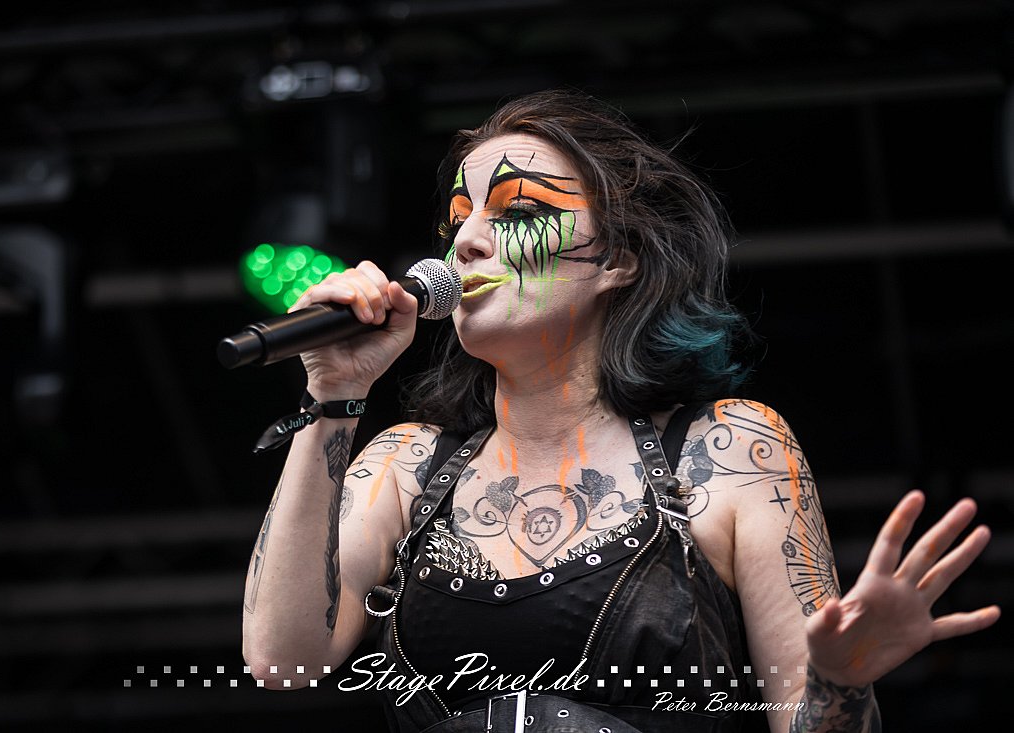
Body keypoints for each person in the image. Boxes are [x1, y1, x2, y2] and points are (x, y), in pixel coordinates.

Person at [240, 89, 1000, 732]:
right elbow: (280, 659)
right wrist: (333, 393)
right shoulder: (405, 466)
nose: (465, 240)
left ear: (616, 259)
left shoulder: (732, 449)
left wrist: (839, 680)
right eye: (458, 219)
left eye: (516, 211)